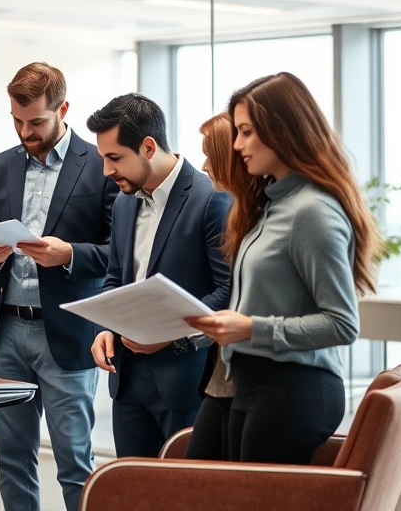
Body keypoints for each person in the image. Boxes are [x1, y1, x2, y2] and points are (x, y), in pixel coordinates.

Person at [185, 72, 378, 464]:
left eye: (246, 132)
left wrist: (251, 327)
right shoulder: (269, 205)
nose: (236, 145)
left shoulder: (312, 211)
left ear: (283, 130)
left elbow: (342, 324)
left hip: (293, 387)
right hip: (253, 383)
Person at [0, 62, 118, 511]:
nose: (25, 131)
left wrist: (69, 254)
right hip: (7, 333)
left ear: (63, 109)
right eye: (17, 121)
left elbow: (120, 252)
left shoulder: (99, 165)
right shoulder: (1, 167)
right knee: (12, 460)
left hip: (68, 334)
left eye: (36, 122)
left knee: (74, 460)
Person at [86, 94, 231, 458]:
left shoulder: (210, 197)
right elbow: (115, 277)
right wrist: (104, 327)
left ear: (148, 147)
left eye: (115, 158)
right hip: (127, 380)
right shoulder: (122, 201)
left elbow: (228, 289)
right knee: (134, 490)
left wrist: (166, 332)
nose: (106, 170)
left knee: (186, 493)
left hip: (186, 381)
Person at [184, 111, 246, 461]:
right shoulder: (239, 216)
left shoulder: (232, 211)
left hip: (246, 380)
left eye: (211, 155)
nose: (204, 166)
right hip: (221, 378)